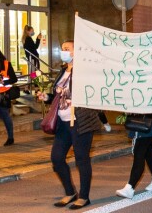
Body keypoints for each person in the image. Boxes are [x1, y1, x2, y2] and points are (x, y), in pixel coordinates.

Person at [38, 40, 101, 209]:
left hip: (80, 121)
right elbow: (58, 96)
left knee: (82, 159)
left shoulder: (84, 71)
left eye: (67, 49)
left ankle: (84, 196)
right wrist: (48, 98)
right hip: (63, 123)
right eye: (63, 49)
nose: (64, 52)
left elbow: (93, 91)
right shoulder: (62, 71)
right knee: (57, 158)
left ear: (75, 52)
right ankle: (70, 192)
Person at [116, 113, 152, 199]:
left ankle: (130, 187)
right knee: (149, 152)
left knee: (139, 154)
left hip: (144, 122)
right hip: (148, 121)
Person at [0, 49, 18, 146]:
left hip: (3, 96)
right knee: (5, 117)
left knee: (5, 117)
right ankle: (10, 138)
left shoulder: (6, 64)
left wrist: (3, 82)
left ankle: (10, 138)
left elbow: (14, 79)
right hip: (3, 95)